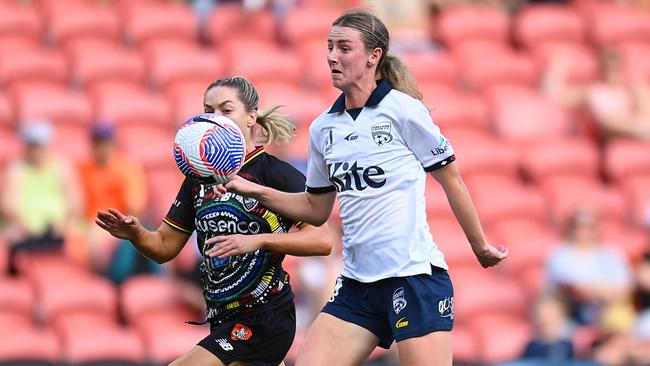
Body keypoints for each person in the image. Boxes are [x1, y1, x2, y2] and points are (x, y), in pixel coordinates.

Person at [217, 9, 508, 366]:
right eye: (329, 47)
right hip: (357, 286)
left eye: (344, 48)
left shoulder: (404, 112)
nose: (331, 56)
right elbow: (315, 209)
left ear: (374, 56)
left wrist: (479, 245)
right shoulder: (324, 128)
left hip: (413, 278)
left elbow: (453, 181)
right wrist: (256, 191)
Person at [95, 76, 335, 366]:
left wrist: (257, 240)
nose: (215, 118)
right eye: (209, 110)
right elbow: (164, 247)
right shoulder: (197, 180)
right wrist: (136, 234)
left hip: (265, 317)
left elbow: (322, 241)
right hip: (222, 318)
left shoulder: (275, 174)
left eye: (226, 110)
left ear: (251, 117)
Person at [1, 120, 83, 272]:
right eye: (32, 145)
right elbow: (7, 203)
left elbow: (75, 201)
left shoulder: (62, 167)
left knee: (81, 240)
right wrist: (22, 224)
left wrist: (63, 223)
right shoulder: (16, 169)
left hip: (59, 228)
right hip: (23, 229)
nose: (36, 150)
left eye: (39, 145)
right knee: (9, 239)